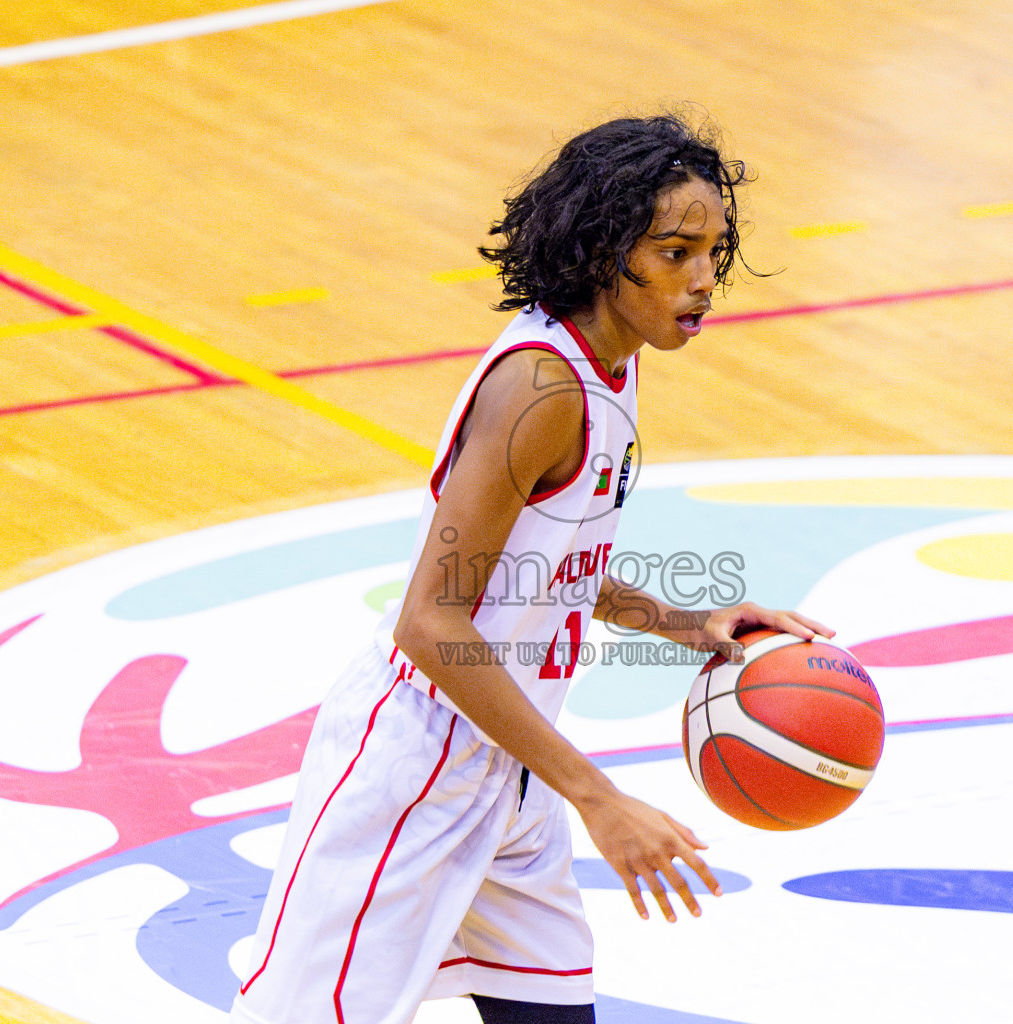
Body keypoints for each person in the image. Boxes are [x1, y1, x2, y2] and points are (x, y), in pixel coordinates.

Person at [229, 113, 833, 1024]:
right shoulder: (543, 391)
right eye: (676, 252)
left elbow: (542, 568)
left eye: (716, 250)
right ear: (602, 253)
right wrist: (598, 797)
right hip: (418, 775)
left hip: (509, 775)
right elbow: (430, 621)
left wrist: (685, 624)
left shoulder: (612, 364)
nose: (706, 279)